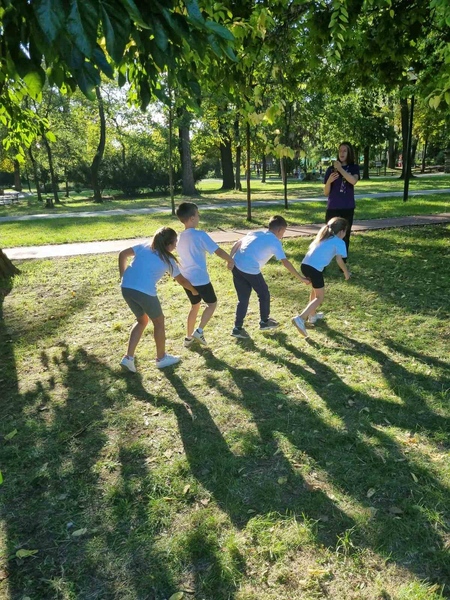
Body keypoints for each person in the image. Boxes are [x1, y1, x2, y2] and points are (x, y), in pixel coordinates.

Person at [119, 227, 197, 371]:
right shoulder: (168, 259)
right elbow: (182, 281)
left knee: (142, 321)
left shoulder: (144, 246)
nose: (175, 246)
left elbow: (122, 254)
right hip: (144, 291)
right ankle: (161, 358)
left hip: (126, 288)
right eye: (175, 243)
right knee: (159, 322)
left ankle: (128, 358)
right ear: (168, 244)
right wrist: (194, 291)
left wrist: (123, 276)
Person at [230, 215, 310, 339]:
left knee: (243, 298)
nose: (282, 235)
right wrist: (301, 278)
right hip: (250, 268)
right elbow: (285, 262)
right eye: (283, 232)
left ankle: (237, 328)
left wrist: (230, 260)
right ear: (279, 230)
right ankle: (264, 321)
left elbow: (237, 243)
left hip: (236, 265)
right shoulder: (274, 241)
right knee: (264, 294)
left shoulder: (257, 233)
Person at [176, 202, 234, 347]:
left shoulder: (179, 237)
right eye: (197, 214)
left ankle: (188, 338)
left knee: (194, 306)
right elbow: (217, 251)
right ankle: (199, 331)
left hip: (186, 279)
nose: (199, 216)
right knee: (212, 304)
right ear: (191, 218)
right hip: (200, 279)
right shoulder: (200, 235)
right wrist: (230, 260)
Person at [292, 217, 350, 338]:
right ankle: (301, 318)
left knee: (315, 290)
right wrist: (346, 272)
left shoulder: (324, 237)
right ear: (342, 231)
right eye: (346, 231)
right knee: (320, 297)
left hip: (305, 265)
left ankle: (312, 315)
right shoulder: (339, 242)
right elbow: (339, 260)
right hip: (314, 269)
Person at [323, 142, 360, 260]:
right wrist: (329, 181)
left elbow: (353, 181)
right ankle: (324, 260)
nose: (342, 153)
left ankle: (342, 261)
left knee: (345, 235)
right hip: (333, 207)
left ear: (349, 153)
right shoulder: (331, 169)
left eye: (345, 151)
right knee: (328, 235)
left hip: (347, 207)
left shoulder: (354, 168)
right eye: (340, 151)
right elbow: (326, 192)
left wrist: (340, 169)